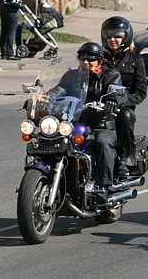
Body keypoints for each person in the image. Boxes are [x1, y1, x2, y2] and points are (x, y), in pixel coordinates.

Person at [46, 42, 122, 198]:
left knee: (102, 142)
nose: (86, 62)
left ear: (100, 60)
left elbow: (115, 90)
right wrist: (44, 97)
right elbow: (60, 89)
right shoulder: (71, 76)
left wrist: (112, 100)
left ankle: (103, 186)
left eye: (91, 59)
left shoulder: (111, 75)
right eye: (82, 59)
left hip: (101, 124)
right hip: (74, 122)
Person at [101, 16, 148, 176]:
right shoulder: (98, 59)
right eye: (109, 36)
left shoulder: (135, 61)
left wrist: (121, 102)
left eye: (117, 36)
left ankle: (124, 160)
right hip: (99, 104)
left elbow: (140, 92)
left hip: (122, 107)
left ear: (126, 38)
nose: (112, 39)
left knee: (125, 116)